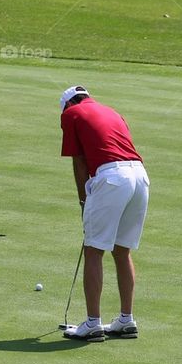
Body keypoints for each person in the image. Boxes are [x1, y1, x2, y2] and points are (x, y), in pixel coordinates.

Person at [59, 84, 149, 341]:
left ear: (67, 104)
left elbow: (79, 161)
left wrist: (83, 200)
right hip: (140, 177)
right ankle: (126, 320)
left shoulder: (71, 114)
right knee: (121, 251)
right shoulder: (112, 111)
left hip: (112, 179)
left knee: (94, 249)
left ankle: (92, 323)